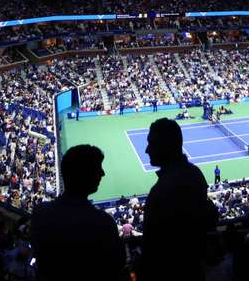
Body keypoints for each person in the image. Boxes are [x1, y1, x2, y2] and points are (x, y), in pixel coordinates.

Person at [30, 144, 125, 280]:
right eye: (98, 168)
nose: (102, 173)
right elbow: (115, 266)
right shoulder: (103, 222)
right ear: (84, 174)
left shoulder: (40, 213)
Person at [140, 118, 218, 281]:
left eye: (152, 144)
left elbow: (152, 245)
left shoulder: (161, 191)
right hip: (194, 269)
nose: (147, 150)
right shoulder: (195, 174)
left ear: (165, 147)